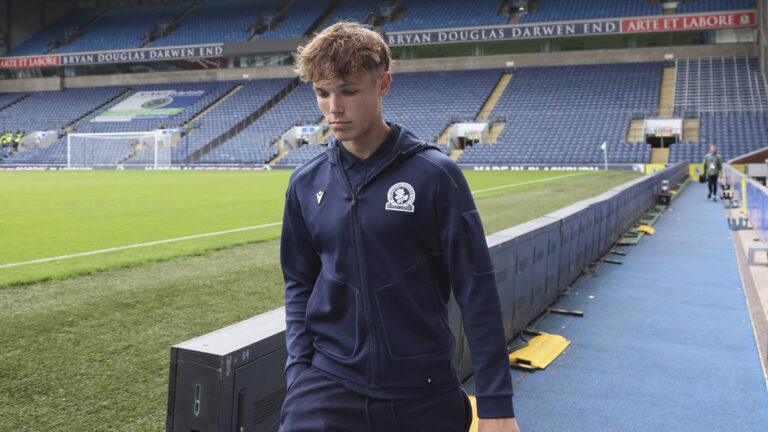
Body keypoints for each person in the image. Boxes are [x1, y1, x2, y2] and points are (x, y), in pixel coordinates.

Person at [279, 22, 519, 432]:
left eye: (348, 91)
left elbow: (475, 288)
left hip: (422, 392)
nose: (333, 108)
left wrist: (496, 405)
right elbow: (299, 282)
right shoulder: (306, 182)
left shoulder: (435, 176)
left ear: (383, 84)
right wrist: (300, 371)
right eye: (322, 93)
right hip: (326, 387)